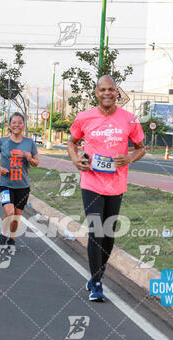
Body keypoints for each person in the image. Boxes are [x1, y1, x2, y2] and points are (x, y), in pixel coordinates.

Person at [67, 76, 145, 301]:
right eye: (103, 90)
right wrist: (75, 160)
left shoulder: (130, 119)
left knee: (109, 233)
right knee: (96, 230)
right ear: (96, 92)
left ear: (117, 92)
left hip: (116, 184)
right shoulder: (84, 117)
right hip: (91, 181)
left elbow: (141, 148)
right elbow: (71, 142)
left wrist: (129, 158)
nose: (107, 93)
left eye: (111, 89)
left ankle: (95, 276)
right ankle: (97, 284)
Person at [0, 112, 38, 253]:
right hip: (6, 184)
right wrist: (0, 168)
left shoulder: (30, 143)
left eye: (19, 122)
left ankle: (12, 238)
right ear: (9, 125)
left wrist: (30, 159)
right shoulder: (2, 142)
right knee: (9, 212)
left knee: (16, 216)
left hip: (23, 186)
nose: (16, 125)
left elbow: (36, 163)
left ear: (23, 125)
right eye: (14, 123)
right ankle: (2, 236)